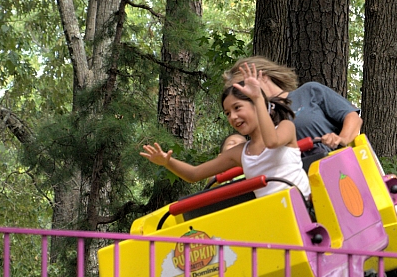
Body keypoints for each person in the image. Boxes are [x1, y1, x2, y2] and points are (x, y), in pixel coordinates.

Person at [142, 64, 310, 198]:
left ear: (257, 106)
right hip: (272, 217)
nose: (233, 117)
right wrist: (167, 162)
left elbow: (272, 142)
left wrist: (258, 97)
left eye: (238, 108)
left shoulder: (285, 127)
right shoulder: (240, 153)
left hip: (303, 207)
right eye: (228, 113)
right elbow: (194, 174)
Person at [222, 56, 362, 163]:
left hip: (340, 166)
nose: (244, 92)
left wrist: (341, 139)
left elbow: (352, 117)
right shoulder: (257, 120)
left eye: (244, 84)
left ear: (263, 76)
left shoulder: (309, 91)